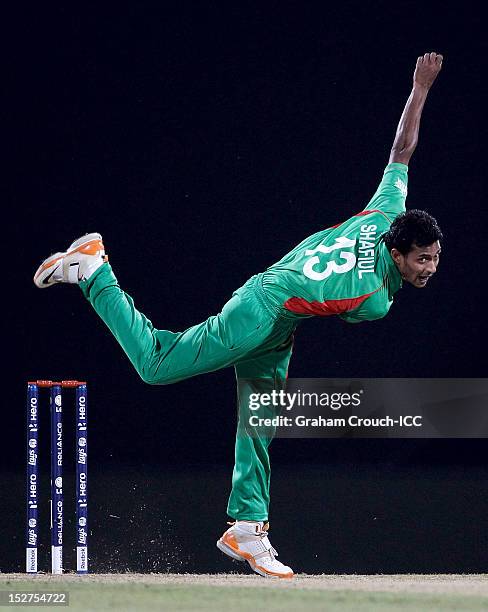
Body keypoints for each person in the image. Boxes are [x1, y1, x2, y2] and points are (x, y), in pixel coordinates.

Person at [33, 52, 443, 578]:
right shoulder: (377, 301)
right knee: (157, 364)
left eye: (435, 258)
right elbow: (342, 299)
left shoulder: (386, 211)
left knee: (261, 419)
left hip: (281, 320)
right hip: (263, 307)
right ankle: (94, 272)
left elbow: (402, 149)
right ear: (401, 252)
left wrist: (419, 86)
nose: (430, 269)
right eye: (423, 259)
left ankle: (247, 528)